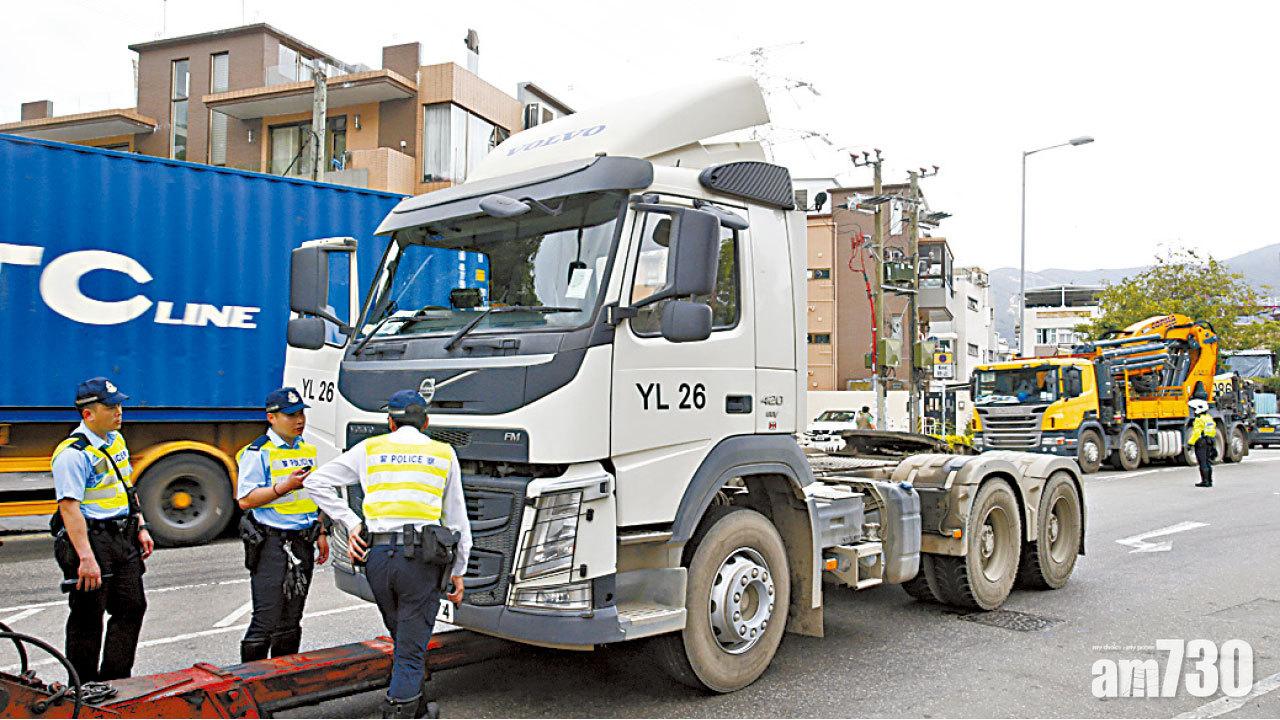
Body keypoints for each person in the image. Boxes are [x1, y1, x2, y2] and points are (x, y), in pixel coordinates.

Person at [305, 390, 471, 719]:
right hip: (421, 561)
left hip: (377, 558)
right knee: (410, 648)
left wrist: (352, 523)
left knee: (403, 637)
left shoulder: (369, 448)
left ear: (391, 423)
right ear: (426, 422)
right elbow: (457, 519)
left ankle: (420, 708)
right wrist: (459, 570)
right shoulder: (443, 452)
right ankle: (398, 711)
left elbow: (316, 483)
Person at [50, 377, 152, 682]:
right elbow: (69, 508)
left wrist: (141, 526)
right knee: (87, 618)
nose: (119, 411)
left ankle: (116, 681)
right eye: (110, 407)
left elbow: (127, 486)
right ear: (88, 414)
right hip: (91, 540)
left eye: (119, 405)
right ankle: (82, 688)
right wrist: (86, 558)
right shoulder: (72, 454)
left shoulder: (115, 441)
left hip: (122, 536)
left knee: (132, 607)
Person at [234, 387, 329, 662]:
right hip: (271, 543)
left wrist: (321, 530)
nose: (299, 420)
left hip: (302, 540)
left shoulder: (307, 449)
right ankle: (251, 683)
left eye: (300, 414)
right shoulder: (258, 452)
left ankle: (282, 680)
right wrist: (283, 487)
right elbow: (245, 500)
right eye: (290, 415)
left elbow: (312, 496)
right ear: (271, 418)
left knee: (292, 617)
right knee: (266, 617)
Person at [1187, 398, 1217, 488]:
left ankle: (1205, 481)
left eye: (1193, 409)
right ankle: (1209, 480)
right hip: (1210, 440)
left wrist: (1190, 443)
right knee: (1207, 462)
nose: (1193, 411)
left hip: (1201, 442)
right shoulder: (1208, 418)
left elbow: (1196, 433)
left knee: (1202, 462)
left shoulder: (1199, 420)